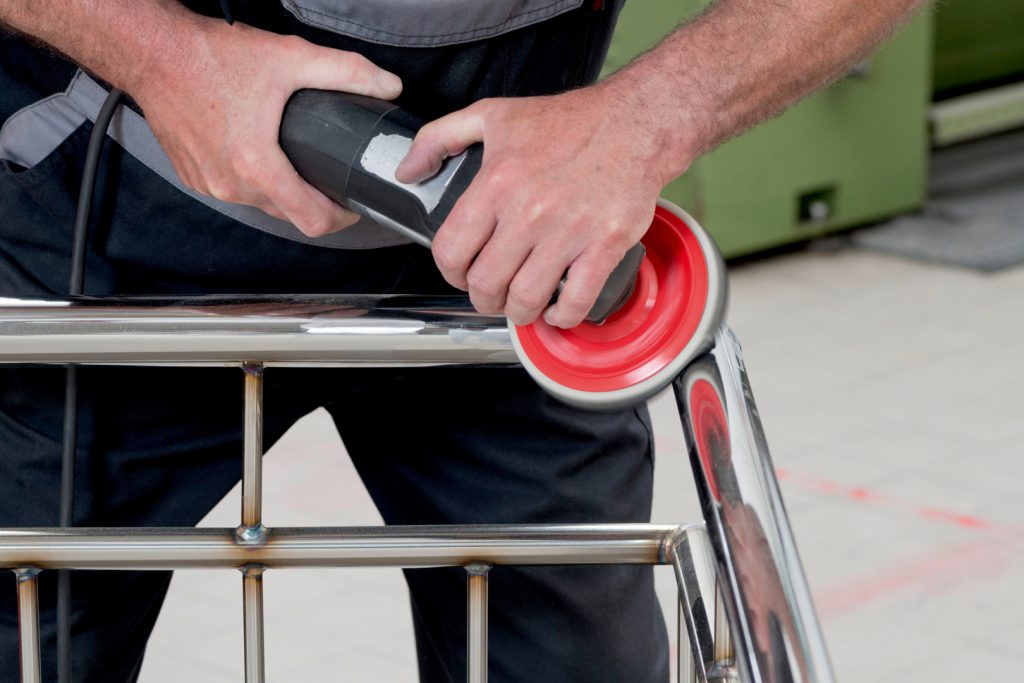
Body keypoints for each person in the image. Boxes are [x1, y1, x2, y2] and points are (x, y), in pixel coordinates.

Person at [0, 1, 925, 681]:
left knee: (575, 656)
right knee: (29, 640)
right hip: (111, 223)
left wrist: (645, 118)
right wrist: (164, 55)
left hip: (515, 243)